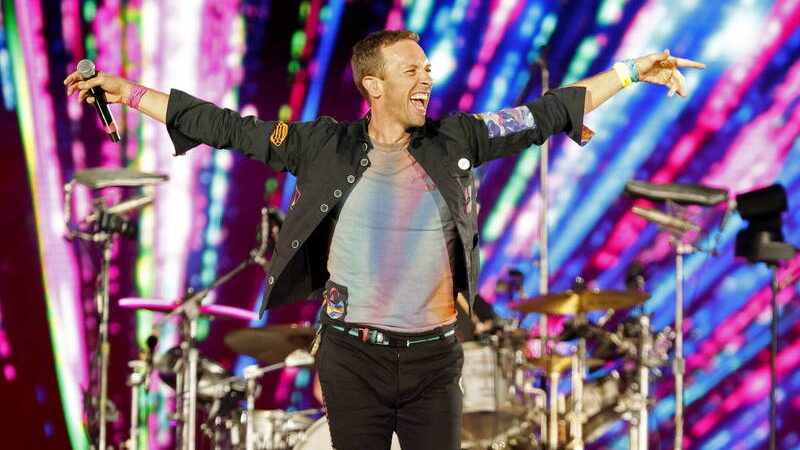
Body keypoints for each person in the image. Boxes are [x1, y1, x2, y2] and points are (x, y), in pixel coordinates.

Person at [65, 29, 704, 450]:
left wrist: (630, 70)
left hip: (434, 360)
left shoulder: (458, 138)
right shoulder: (322, 146)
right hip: (352, 357)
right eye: (411, 70)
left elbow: (545, 113)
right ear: (373, 84)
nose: (426, 78)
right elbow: (225, 126)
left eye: (427, 68)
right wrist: (129, 92)